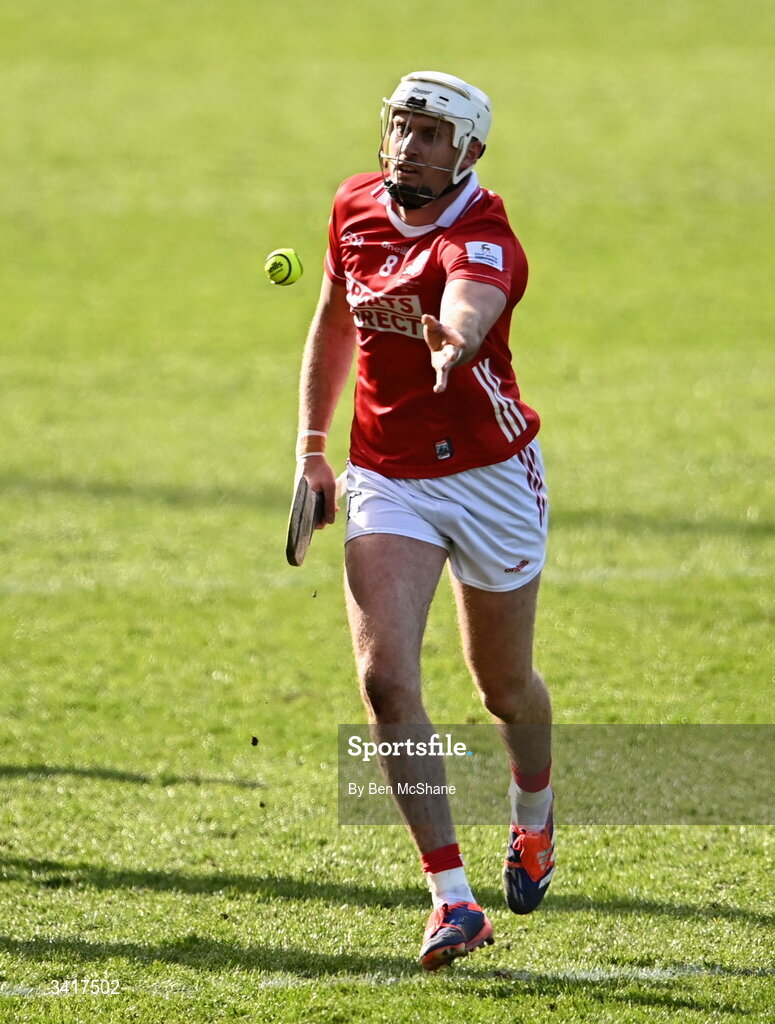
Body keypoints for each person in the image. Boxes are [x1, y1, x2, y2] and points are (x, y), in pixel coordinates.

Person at [294, 70, 554, 971]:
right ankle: (452, 897)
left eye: (432, 134)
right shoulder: (353, 204)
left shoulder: (484, 231)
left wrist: (458, 333)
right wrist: (310, 450)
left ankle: (533, 810)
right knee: (385, 681)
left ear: (469, 152)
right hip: (384, 476)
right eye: (402, 126)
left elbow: (472, 298)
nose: (409, 145)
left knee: (504, 689)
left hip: (490, 477)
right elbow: (334, 320)